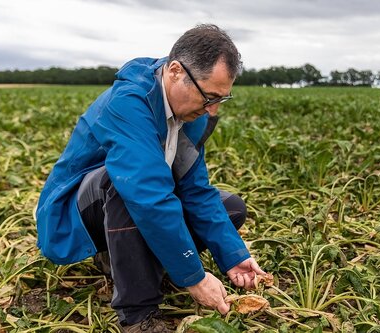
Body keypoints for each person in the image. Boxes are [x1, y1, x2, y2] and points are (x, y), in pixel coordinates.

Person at [35, 24, 267, 333]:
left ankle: (148, 263)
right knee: (124, 186)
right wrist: (194, 278)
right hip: (79, 211)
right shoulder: (129, 103)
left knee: (231, 207)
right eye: (208, 96)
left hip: (137, 203)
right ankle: (137, 315)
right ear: (174, 72)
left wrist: (234, 256)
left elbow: (196, 190)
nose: (212, 110)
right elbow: (147, 194)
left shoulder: (191, 114)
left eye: (221, 100)